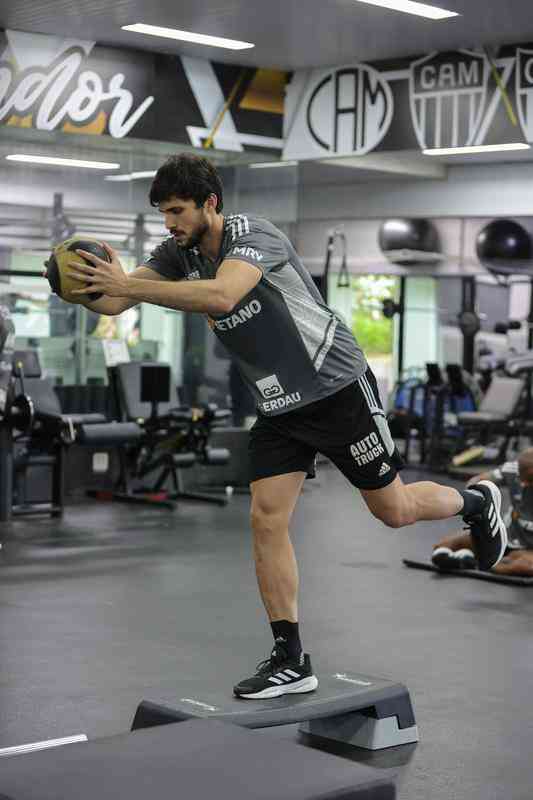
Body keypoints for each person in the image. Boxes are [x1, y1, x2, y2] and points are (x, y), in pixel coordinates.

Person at [54, 153, 508, 699]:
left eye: (177, 210)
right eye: (164, 214)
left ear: (210, 204)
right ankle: (291, 658)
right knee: (266, 519)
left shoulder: (254, 237)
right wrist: (79, 285)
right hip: (277, 403)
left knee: (394, 510)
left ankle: (478, 504)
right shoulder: (177, 252)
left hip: (335, 387)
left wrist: (125, 285)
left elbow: (222, 294)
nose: (169, 223)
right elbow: (116, 304)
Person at [432, 448, 533, 577]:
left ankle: (475, 562)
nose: (523, 484)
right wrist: (476, 501)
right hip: (507, 537)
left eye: (529, 481)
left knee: (525, 566)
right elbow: (478, 481)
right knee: (442, 547)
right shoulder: (511, 469)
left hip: (530, 548)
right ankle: (478, 560)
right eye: (521, 478)